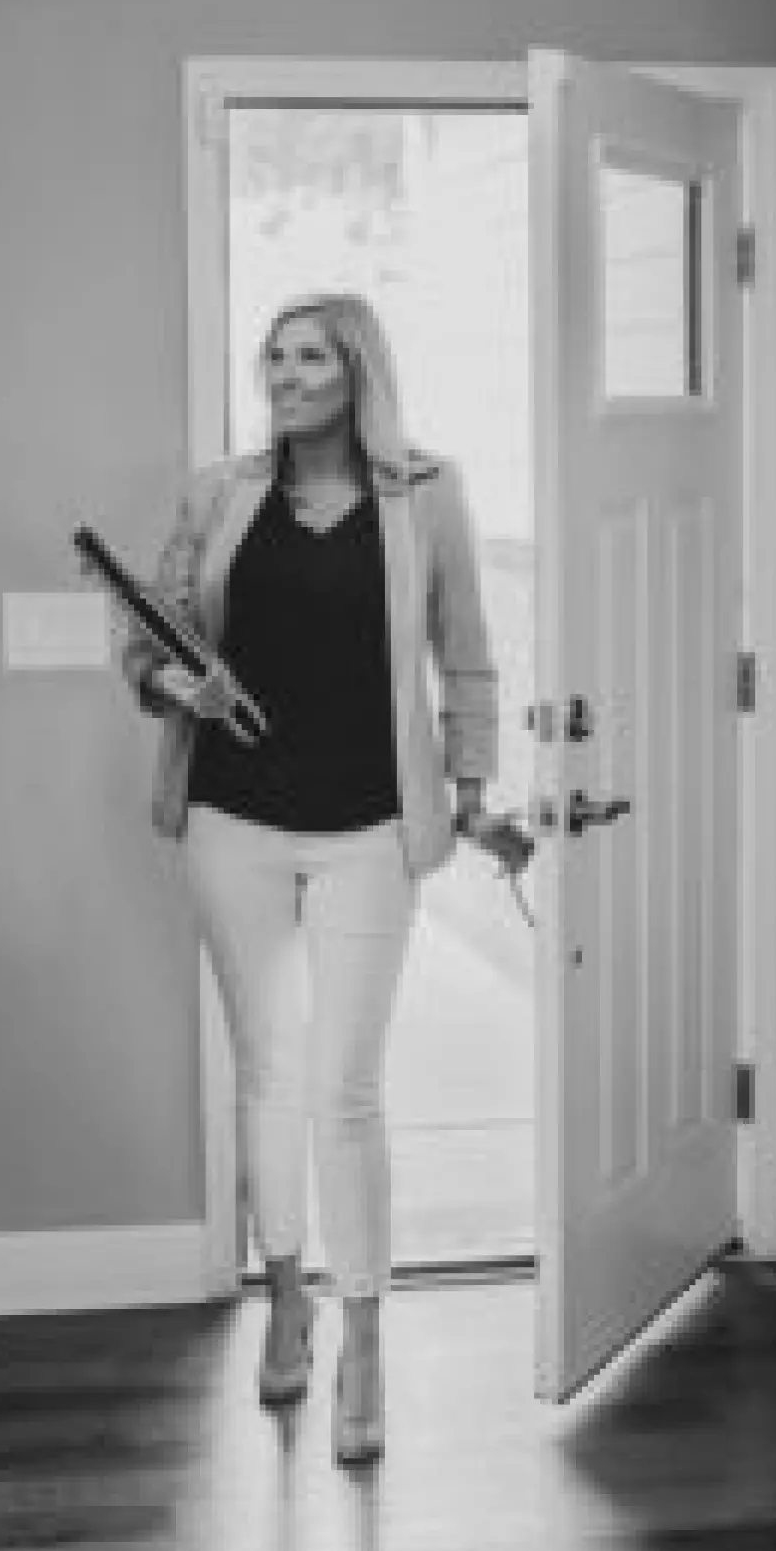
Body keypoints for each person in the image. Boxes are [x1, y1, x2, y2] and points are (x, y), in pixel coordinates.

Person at [123, 291, 498, 1466]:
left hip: (370, 830)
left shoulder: (428, 494)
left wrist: (473, 785)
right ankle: (285, 1294)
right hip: (235, 821)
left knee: (347, 1087)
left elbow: (467, 655)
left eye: (310, 358)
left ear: (357, 373)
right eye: (273, 357)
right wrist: (175, 683)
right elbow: (148, 636)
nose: (283, 376)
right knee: (269, 1071)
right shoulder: (219, 491)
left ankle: (367, 1340)